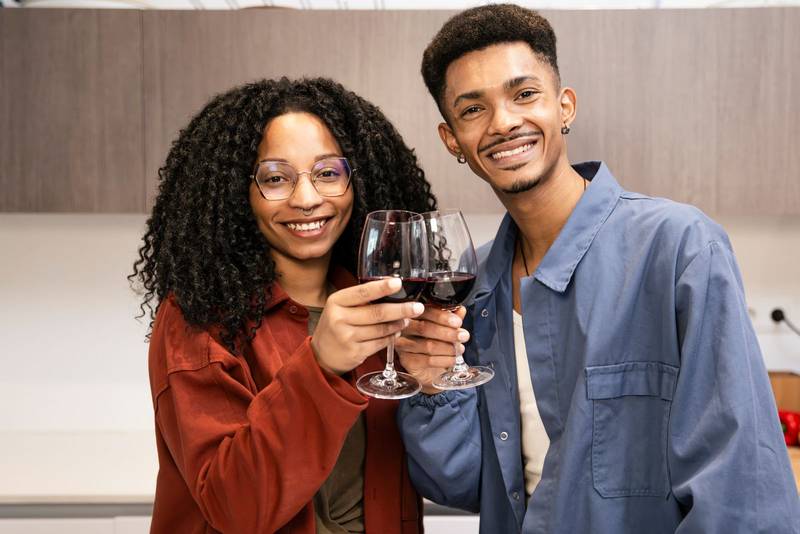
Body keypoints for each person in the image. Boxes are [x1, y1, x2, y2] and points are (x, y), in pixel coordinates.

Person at [395, 5, 800, 533]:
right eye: (473, 110)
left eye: (524, 94)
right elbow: (464, 484)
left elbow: (742, 493)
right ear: (453, 141)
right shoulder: (475, 286)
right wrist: (433, 387)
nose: (503, 123)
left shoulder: (679, 249)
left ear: (565, 107)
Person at [130, 77, 437, 534]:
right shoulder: (197, 320)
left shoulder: (387, 306)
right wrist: (320, 365)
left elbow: (442, 479)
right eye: (276, 178)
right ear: (240, 192)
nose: (307, 198)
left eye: (328, 173)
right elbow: (235, 509)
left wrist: (433, 391)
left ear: (358, 180)